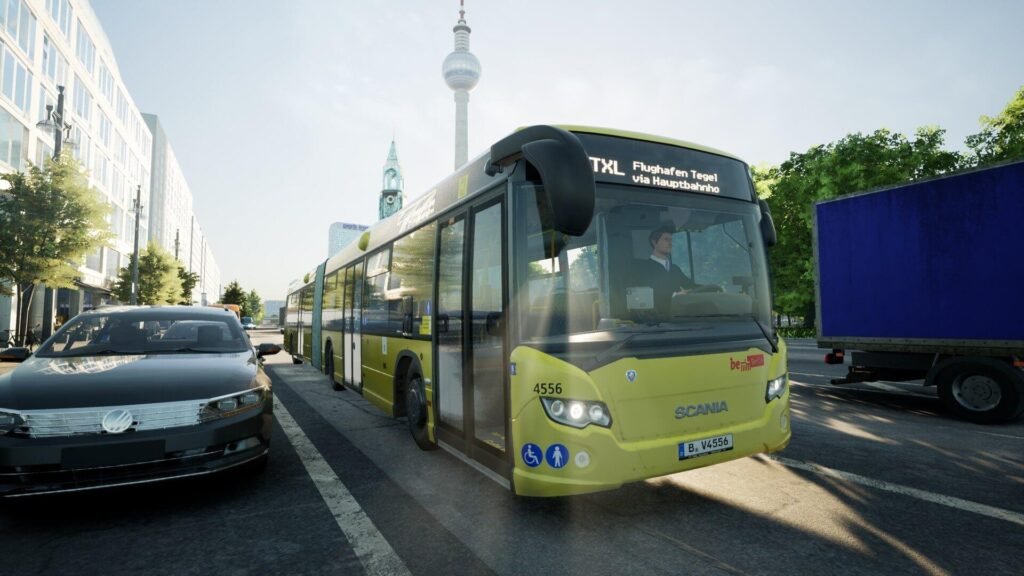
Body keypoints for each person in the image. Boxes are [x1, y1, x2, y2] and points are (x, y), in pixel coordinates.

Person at [632, 224, 699, 317]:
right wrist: (674, 296)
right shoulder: (642, 269)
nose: (670, 243)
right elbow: (641, 297)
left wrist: (714, 289)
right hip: (654, 324)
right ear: (654, 242)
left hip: (678, 319)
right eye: (666, 239)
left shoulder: (675, 269)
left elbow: (691, 286)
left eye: (671, 240)